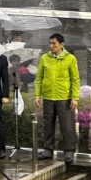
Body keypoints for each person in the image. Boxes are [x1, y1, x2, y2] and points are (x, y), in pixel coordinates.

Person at [35, 33, 80, 164]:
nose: (51, 46)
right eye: (50, 43)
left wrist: (75, 98)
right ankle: (48, 149)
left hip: (64, 97)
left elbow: (75, 80)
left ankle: (69, 150)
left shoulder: (70, 59)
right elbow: (39, 78)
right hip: (48, 96)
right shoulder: (44, 58)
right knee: (48, 124)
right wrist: (38, 95)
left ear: (62, 44)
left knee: (67, 126)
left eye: (54, 43)